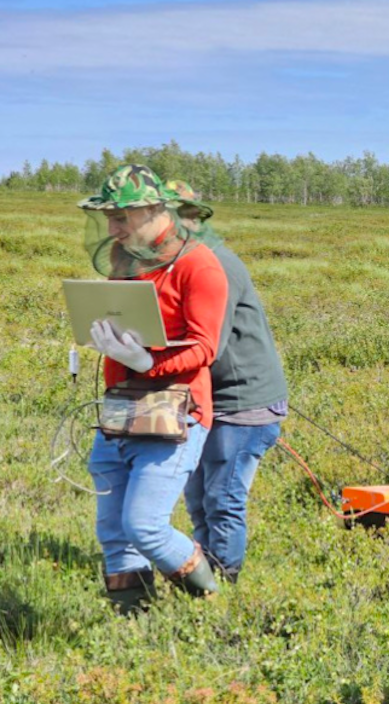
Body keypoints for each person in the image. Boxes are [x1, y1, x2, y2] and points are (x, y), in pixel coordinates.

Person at [80, 165, 227, 612]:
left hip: (175, 414)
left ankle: (208, 606)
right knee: (114, 529)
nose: (113, 228)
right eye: (108, 218)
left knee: (144, 525)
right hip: (120, 410)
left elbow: (204, 347)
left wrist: (148, 361)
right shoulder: (126, 263)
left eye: (121, 217)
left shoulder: (199, 266)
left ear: (152, 211)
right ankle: (133, 623)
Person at [168, 181, 289, 583]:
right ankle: (204, 576)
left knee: (223, 500)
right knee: (199, 500)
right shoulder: (179, 263)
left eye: (175, 217)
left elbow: (208, 347)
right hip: (211, 401)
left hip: (244, 404)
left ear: (193, 219)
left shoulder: (214, 265)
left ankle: (223, 584)